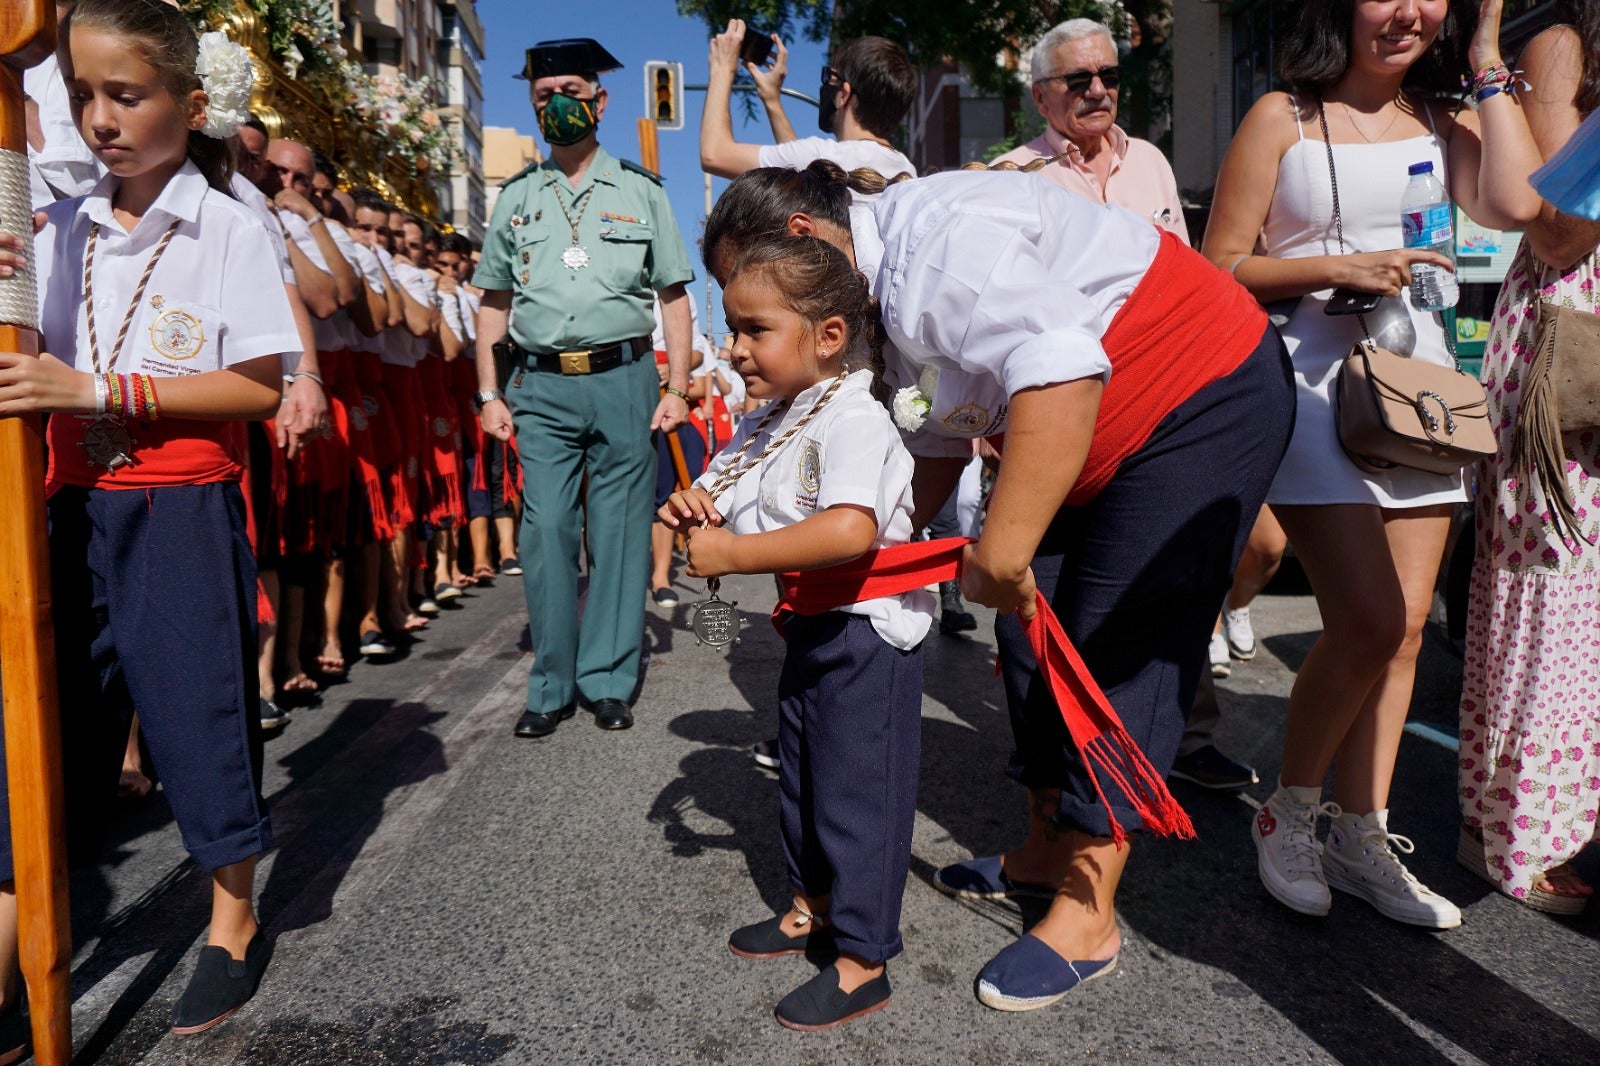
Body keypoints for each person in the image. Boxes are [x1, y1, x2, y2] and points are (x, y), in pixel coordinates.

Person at [702, 159, 1294, 1013]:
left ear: (801, 237)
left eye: (752, 297)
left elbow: (1060, 363)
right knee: (1027, 635)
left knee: (1118, 642)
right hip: (1078, 421)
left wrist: (1002, 551)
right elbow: (937, 433)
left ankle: (1090, 910)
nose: (749, 323)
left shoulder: (933, 251)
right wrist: (865, 558)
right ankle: (1047, 847)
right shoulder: (874, 298)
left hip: (1199, 389)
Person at [1204, 0, 1543, 928]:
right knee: (1367, 617)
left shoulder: (1444, 120)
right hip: (1313, 388)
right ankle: (1291, 809)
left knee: (1401, 637)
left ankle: (1363, 834)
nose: (1406, 11)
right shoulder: (1284, 115)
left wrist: (1485, 61)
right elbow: (1220, 262)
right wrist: (1336, 268)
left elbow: (1516, 205)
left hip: (1421, 391)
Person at [0, 0, 300, 1043]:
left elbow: (257, 386)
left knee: (193, 709)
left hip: (175, 500)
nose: (100, 118)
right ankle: (17, 916)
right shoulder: (58, 225)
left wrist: (97, 393)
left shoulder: (229, 223)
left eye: (125, 94)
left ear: (190, 101)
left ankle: (231, 915)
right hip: (71, 505)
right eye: (83, 95)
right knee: (42, 721)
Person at [660, 235, 930, 1031]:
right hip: (810, 624)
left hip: (866, 634)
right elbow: (720, 484)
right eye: (732, 330)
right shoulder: (774, 417)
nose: (736, 349)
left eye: (754, 329)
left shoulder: (854, 416)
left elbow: (848, 528)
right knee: (806, 777)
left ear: (828, 337)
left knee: (858, 792)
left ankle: (863, 956)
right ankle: (811, 904)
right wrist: (691, 508)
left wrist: (735, 554)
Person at [473, 38, 695, 737]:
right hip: (539, 386)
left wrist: (679, 386)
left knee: (623, 531)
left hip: (625, 379)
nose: (558, 104)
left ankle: (607, 679)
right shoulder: (516, 199)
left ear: (599, 100)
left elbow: (674, 298)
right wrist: (489, 394)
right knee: (544, 532)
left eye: (571, 90)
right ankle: (551, 683)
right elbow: (493, 305)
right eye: (544, 96)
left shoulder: (640, 191)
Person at [1458, 0, 1600, 914]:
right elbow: (1555, 228)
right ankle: (1518, 832)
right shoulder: (1565, 41)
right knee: (1555, 589)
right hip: (1572, 341)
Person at [996, 17, 1188, 242]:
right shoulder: (1009, 179)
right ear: (1040, 97)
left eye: (1109, 76)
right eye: (1078, 80)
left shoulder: (1150, 161)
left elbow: (1185, 264)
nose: (1098, 91)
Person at [700, 21, 917, 183]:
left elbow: (715, 155)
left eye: (829, 77)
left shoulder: (827, 157)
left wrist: (722, 68)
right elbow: (802, 171)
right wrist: (772, 100)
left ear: (844, 94)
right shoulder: (906, 171)